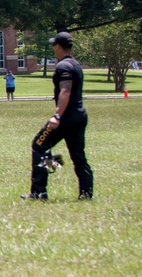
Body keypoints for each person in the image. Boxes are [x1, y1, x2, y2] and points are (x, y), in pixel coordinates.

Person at [22, 32, 94, 201]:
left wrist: (57, 116)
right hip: (79, 116)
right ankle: (86, 193)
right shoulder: (75, 65)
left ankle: (39, 192)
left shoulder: (63, 67)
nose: (53, 48)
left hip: (66, 118)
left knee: (39, 145)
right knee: (78, 155)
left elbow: (65, 91)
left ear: (59, 47)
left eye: (54, 45)